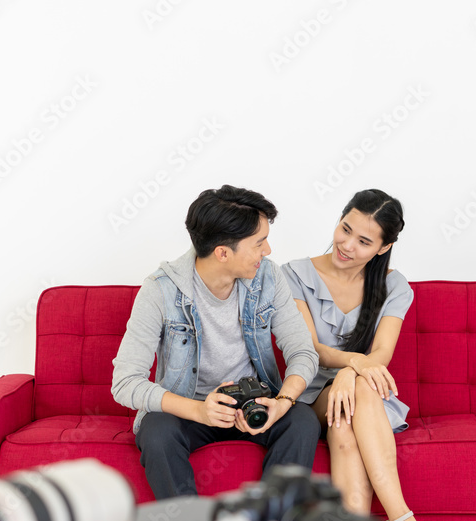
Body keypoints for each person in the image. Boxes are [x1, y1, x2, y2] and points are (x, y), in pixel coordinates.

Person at [111, 185, 321, 499]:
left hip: (253, 404)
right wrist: (198, 411)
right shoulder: (161, 290)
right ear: (222, 253)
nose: (268, 252)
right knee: (157, 432)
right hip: (190, 408)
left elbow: (302, 350)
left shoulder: (268, 277)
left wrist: (283, 402)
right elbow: (124, 382)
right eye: (259, 243)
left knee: (301, 420)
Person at [281, 189, 425, 521]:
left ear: (383, 248)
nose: (347, 245)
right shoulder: (293, 274)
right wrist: (352, 368)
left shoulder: (394, 286)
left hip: (364, 391)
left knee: (345, 426)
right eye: (345, 229)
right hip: (311, 391)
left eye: (363, 241)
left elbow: (381, 356)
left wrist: (349, 372)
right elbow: (310, 348)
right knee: (356, 390)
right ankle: (402, 520)